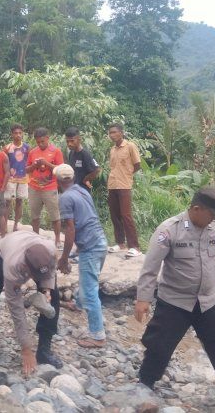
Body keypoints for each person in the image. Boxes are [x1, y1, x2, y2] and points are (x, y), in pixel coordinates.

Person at [134, 186, 215, 403]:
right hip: (175, 301)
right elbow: (150, 267)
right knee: (159, 345)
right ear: (196, 208)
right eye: (211, 213)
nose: (214, 218)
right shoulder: (169, 230)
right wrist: (143, 299)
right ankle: (145, 382)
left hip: (208, 300)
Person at [0, 230, 63, 373]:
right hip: (6, 251)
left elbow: (50, 272)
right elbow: (16, 308)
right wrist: (26, 349)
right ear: (25, 268)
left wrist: (46, 291)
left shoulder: (50, 252)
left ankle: (44, 350)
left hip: (35, 249)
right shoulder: (14, 266)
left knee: (54, 297)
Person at [55, 164, 109, 348]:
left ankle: (98, 336)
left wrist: (63, 258)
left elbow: (70, 228)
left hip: (91, 248)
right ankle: (77, 305)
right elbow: (87, 217)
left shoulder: (65, 198)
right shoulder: (82, 190)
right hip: (100, 241)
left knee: (90, 291)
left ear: (58, 180)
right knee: (88, 281)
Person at [106, 123, 142, 257]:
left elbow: (137, 164)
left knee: (126, 215)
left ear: (121, 133)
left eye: (114, 132)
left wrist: (127, 174)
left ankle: (135, 247)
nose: (112, 135)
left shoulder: (130, 146)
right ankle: (120, 243)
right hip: (112, 185)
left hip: (125, 184)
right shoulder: (112, 150)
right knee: (115, 215)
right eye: (110, 133)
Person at [26, 127, 64, 248]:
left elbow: (61, 169)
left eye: (42, 141)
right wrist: (33, 166)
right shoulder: (32, 152)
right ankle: (35, 238)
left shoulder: (56, 151)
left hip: (50, 188)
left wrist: (46, 164)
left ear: (48, 138)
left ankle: (57, 239)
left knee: (55, 215)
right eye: (38, 142)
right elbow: (26, 169)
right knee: (34, 215)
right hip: (34, 188)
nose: (40, 144)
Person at [3, 124, 30, 231]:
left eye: (20, 133)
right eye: (15, 133)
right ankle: (4, 225)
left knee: (19, 202)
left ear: (22, 134)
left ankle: (15, 226)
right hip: (11, 178)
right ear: (12, 134)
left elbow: (29, 161)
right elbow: (3, 163)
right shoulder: (7, 148)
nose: (18, 135)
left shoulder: (27, 147)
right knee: (7, 202)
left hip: (23, 178)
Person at [65, 127, 100, 192]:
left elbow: (97, 170)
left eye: (72, 141)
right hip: (73, 189)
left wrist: (85, 180)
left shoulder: (85, 154)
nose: (69, 144)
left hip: (83, 190)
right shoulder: (71, 153)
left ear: (79, 139)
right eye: (67, 141)